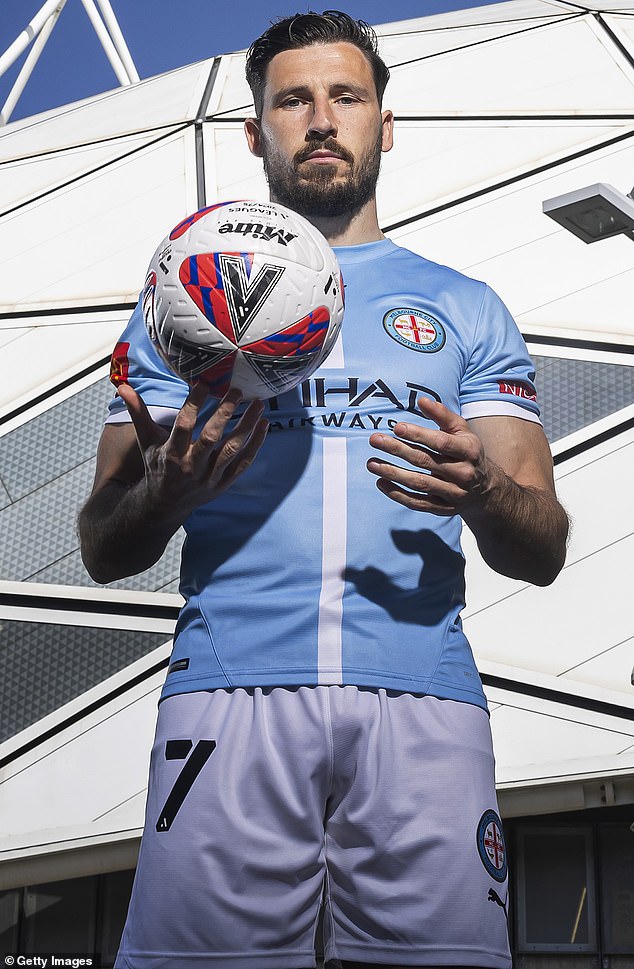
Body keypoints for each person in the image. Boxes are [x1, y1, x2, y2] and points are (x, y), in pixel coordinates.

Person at [78, 10, 569, 969]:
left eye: (346, 96)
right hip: (228, 693)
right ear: (253, 131)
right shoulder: (182, 303)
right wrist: (166, 492)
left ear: (385, 124)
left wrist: (480, 491)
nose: (319, 120)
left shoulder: (464, 304)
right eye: (292, 100)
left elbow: (542, 546)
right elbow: (104, 546)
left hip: (424, 695)